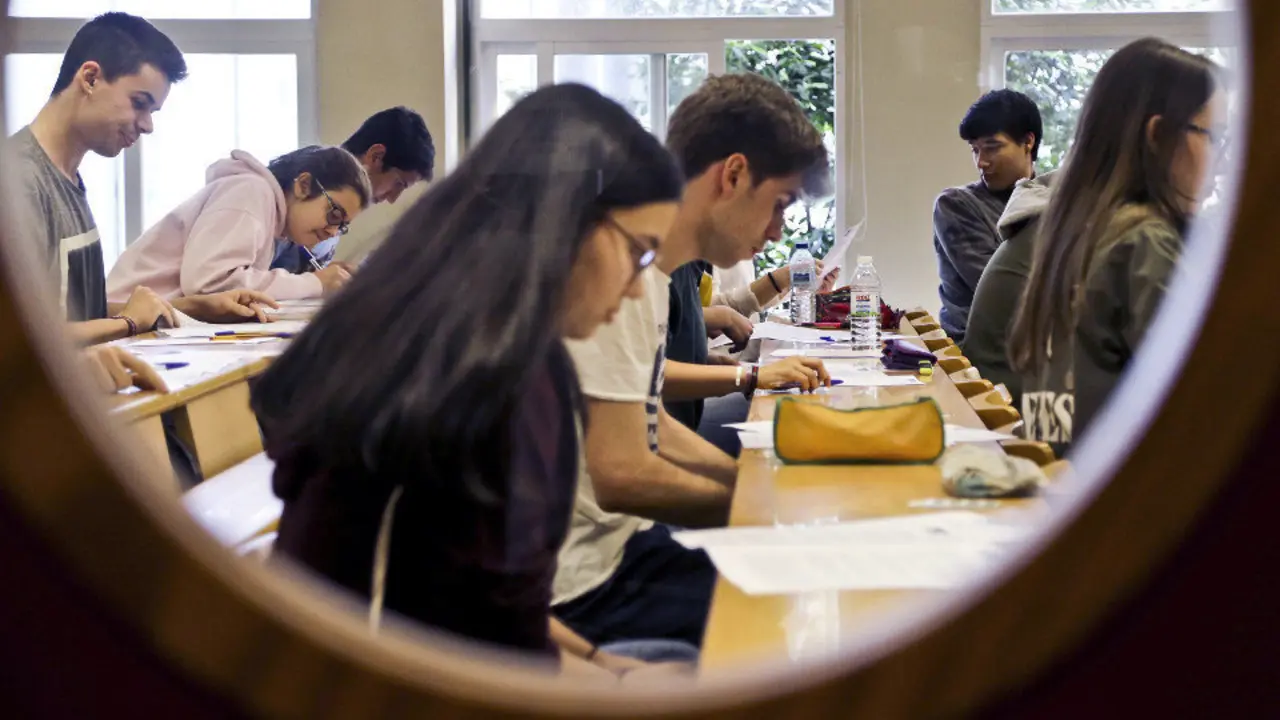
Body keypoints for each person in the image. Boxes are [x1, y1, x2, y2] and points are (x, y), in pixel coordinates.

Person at [252, 84, 686, 674]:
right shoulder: (497, 380)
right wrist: (613, 686)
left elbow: (492, 603)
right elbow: (481, 651)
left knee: (668, 659)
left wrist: (601, 663)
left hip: (383, 662)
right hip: (387, 685)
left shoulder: (435, 324)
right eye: (639, 254)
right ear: (565, 222)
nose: (638, 287)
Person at [552, 73, 831, 649]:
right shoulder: (616, 269)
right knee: (804, 623)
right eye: (777, 205)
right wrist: (760, 508)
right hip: (579, 584)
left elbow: (648, 415)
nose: (777, 229)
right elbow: (622, 474)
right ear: (732, 175)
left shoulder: (650, 271)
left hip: (622, 547)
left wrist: (749, 483)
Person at [5, 12, 276, 346]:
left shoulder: (68, 180)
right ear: (90, 78)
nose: (147, 125)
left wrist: (188, 308)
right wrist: (128, 322)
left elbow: (70, 309)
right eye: (139, 104)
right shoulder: (18, 182)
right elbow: (18, 340)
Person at [1009, 38, 1225, 455]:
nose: (1223, 158)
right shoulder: (1144, 239)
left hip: (1069, 475)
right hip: (1129, 493)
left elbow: (1050, 420)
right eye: (1214, 136)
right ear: (1159, 134)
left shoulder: (1074, 228)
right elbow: (1205, 402)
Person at [106, 145, 371, 304]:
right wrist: (314, 283)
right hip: (124, 320)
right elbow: (210, 283)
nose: (332, 232)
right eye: (334, 215)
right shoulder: (251, 191)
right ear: (303, 185)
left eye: (342, 226)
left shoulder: (271, 215)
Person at [933, 89, 1042, 343]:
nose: (981, 162)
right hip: (976, 357)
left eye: (992, 148)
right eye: (975, 150)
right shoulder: (957, 206)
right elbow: (1004, 294)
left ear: (1028, 141)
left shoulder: (1054, 201)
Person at [271, 106, 435, 273]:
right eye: (398, 183)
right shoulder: (292, 191)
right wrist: (312, 281)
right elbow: (250, 276)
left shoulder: (338, 202)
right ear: (376, 156)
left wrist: (325, 274)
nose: (392, 198)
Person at [962, 170, 1058, 410]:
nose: (981, 161)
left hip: (998, 386)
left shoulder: (1044, 219)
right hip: (1019, 400)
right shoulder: (1061, 230)